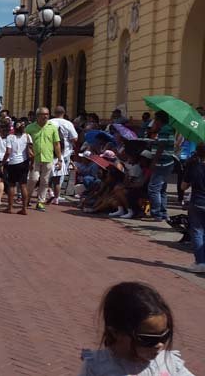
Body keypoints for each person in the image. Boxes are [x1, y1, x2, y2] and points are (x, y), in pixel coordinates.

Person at [78, 282, 193, 376]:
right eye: (148, 339)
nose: (159, 345)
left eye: (165, 336)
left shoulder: (169, 363)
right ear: (116, 333)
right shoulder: (97, 367)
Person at [26, 107, 61, 212]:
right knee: (33, 179)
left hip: (48, 157)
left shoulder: (52, 127)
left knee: (45, 181)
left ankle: (40, 201)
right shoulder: (30, 128)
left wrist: (59, 159)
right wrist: (28, 152)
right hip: (34, 158)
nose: (45, 116)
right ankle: (27, 197)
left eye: (47, 114)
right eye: (43, 114)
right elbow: (24, 142)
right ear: (37, 116)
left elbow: (56, 144)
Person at [145, 111, 176, 222]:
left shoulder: (164, 130)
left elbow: (161, 146)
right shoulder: (167, 129)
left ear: (159, 120)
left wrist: (154, 162)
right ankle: (163, 213)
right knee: (162, 189)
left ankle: (157, 213)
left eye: (155, 119)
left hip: (161, 163)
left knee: (153, 189)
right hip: (167, 163)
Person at [180, 142, 205, 273]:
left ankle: (201, 262)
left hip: (197, 201)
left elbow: (183, 186)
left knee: (197, 232)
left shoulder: (194, 166)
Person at [48, 106, 79, 204]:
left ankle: (49, 191)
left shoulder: (49, 122)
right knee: (59, 175)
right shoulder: (68, 123)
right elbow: (75, 138)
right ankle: (57, 196)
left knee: (47, 172)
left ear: (54, 113)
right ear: (64, 113)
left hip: (49, 150)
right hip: (64, 152)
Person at [3, 118, 33, 215]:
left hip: (13, 162)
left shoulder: (10, 137)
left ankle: (10, 207)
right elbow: (31, 151)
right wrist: (31, 163)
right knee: (23, 185)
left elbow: (8, 152)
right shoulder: (27, 136)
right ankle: (24, 208)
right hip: (24, 162)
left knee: (12, 185)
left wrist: (3, 162)